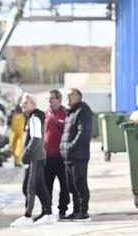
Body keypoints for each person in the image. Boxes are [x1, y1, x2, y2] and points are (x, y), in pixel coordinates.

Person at [12, 93, 52, 226]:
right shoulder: (30, 118)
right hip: (36, 157)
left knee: (29, 187)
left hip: (35, 157)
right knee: (39, 186)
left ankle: (27, 216)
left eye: (25, 102)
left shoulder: (35, 117)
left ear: (33, 104)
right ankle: (49, 214)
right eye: (22, 102)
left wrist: (26, 154)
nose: (22, 104)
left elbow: (36, 139)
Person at [60, 88, 93, 220]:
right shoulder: (71, 113)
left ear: (78, 97)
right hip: (69, 156)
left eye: (71, 95)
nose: (68, 97)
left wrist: (70, 147)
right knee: (72, 186)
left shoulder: (82, 112)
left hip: (79, 155)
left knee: (80, 184)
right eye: (67, 95)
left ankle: (83, 211)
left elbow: (83, 133)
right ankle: (76, 210)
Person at [43, 89, 71, 219]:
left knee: (64, 186)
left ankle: (63, 210)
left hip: (61, 157)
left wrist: (56, 121)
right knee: (46, 186)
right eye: (48, 98)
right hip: (47, 157)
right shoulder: (45, 114)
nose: (50, 101)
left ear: (59, 100)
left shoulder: (65, 113)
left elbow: (66, 128)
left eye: (52, 98)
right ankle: (46, 211)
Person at [7, 102, 27, 167]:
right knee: (13, 147)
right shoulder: (12, 112)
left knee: (18, 147)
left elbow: (26, 120)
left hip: (20, 133)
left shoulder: (24, 113)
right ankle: (16, 161)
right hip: (13, 132)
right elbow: (8, 122)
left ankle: (17, 161)